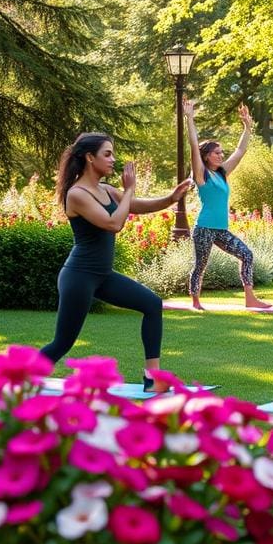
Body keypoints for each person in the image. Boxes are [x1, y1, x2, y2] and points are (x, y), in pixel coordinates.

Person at [41, 133, 193, 392]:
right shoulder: (77, 194)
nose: (113, 160)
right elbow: (113, 223)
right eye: (107, 154)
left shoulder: (105, 190)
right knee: (63, 342)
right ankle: (14, 380)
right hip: (79, 276)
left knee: (152, 304)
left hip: (102, 276)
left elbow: (136, 206)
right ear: (90, 158)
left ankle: (153, 378)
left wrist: (171, 198)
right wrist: (130, 188)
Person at [184, 100, 270, 310]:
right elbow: (194, 146)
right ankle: (195, 301)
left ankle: (250, 298)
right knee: (201, 265)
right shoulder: (201, 174)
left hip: (221, 230)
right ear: (206, 156)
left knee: (246, 255)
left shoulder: (222, 173)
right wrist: (190, 118)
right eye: (217, 153)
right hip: (204, 229)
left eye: (222, 153)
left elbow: (240, 151)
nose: (221, 155)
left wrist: (247, 127)